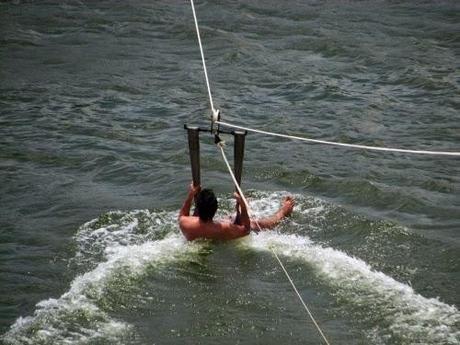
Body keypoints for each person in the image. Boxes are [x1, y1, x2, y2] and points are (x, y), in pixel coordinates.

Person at [179, 182, 295, 241]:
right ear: (215, 209)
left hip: (204, 230)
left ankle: (240, 208)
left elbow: (183, 213)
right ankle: (284, 211)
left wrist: (191, 194)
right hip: (221, 233)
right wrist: (243, 205)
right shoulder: (224, 228)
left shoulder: (185, 223)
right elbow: (246, 229)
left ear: (197, 207)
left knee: (230, 217)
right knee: (255, 223)